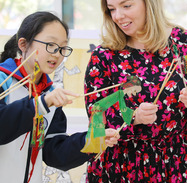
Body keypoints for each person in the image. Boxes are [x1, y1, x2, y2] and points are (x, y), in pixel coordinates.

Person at [84, 0, 187, 182]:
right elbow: (95, 120)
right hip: (123, 166)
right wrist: (133, 117)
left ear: (148, 1)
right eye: (112, 9)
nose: (118, 16)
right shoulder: (103, 56)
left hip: (180, 164)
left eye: (126, 5)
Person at [0, 11, 120, 183]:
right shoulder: (3, 80)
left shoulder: (49, 93)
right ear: (23, 44)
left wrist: (92, 140)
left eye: (63, 48)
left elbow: (54, 154)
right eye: (50, 45)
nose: (57, 54)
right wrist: (41, 103)